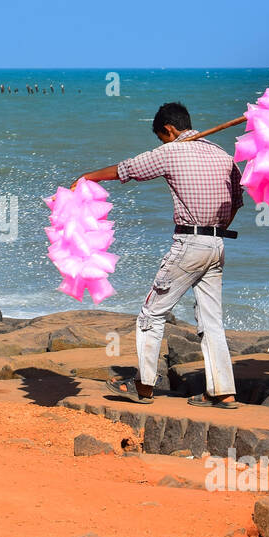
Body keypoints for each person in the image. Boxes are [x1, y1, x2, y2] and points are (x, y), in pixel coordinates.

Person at [73, 101, 243, 407]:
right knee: (211, 321)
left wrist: (88, 177)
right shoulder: (222, 154)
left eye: (162, 137)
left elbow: (127, 170)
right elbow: (237, 199)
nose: (162, 143)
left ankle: (144, 386)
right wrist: (214, 229)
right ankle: (223, 392)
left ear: (169, 129)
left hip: (189, 244)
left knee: (151, 314)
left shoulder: (172, 152)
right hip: (217, 244)